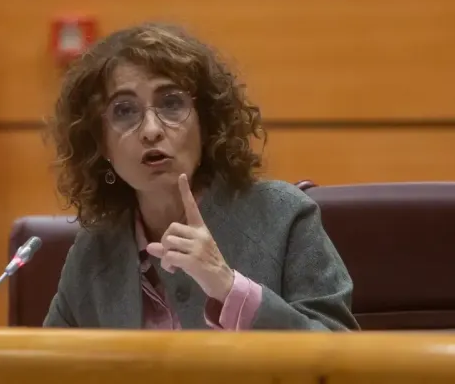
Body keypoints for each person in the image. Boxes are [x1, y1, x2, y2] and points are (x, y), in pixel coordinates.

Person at [43, 22, 359, 331]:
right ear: (100, 144)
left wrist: (228, 287)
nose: (151, 130)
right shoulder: (93, 252)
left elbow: (340, 353)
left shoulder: (284, 216)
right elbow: (50, 361)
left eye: (171, 103)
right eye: (124, 111)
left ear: (206, 124)